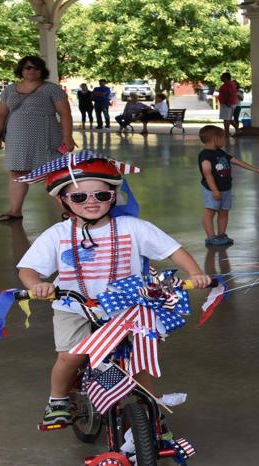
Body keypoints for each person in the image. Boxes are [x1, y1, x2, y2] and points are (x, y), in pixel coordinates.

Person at [14, 154, 212, 428]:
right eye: (79, 197)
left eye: (101, 194)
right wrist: (37, 284)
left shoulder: (133, 228)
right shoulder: (57, 234)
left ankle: (151, 406)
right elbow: (28, 269)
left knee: (138, 354)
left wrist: (196, 273)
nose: (91, 201)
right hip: (74, 307)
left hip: (126, 307)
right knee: (72, 355)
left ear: (115, 196)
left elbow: (173, 250)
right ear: (62, 200)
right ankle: (57, 400)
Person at [0, 56, 75, 223]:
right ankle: (14, 211)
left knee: (54, 173)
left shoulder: (52, 89)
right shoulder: (10, 90)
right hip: (16, 137)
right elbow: (0, 114)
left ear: (42, 71)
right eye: (28, 68)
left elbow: (65, 114)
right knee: (17, 172)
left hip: (46, 136)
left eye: (36, 68)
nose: (32, 71)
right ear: (21, 70)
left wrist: (67, 136)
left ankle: (69, 211)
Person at [198, 125, 259, 246]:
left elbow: (236, 162)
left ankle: (221, 234)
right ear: (215, 139)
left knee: (224, 212)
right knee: (210, 212)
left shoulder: (220, 153)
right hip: (212, 189)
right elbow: (207, 173)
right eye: (223, 138)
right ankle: (210, 237)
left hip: (225, 188)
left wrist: (256, 169)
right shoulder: (205, 155)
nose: (224, 141)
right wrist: (214, 191)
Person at [217, 72, 242, 138]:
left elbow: (230, 94)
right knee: (228, 118)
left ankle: (227, 132)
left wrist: (228, 102)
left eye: (222, 76)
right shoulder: (227, 84)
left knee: (226, 119)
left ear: (226, 77)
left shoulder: (229, 84)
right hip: (226, 103)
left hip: (227, 104)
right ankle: (236, 130)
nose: (221, 78)